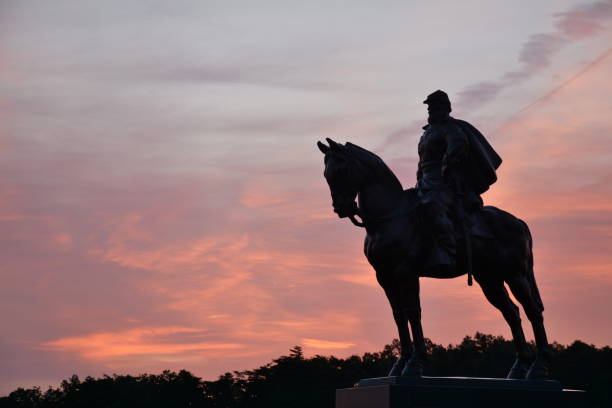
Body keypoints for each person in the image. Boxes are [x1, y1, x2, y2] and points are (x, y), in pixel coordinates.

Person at [416, 90, 502, 270]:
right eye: (430, 107)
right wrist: (420, 176)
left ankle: (447, 251)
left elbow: (457, 147)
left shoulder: (451, 128)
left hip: (445, 182)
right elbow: (422, 160)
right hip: (426, 182)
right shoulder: (427, 133)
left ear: (444, 108)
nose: (431, 110)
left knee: (433, 205)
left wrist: (447, 167)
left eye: (435, 106)